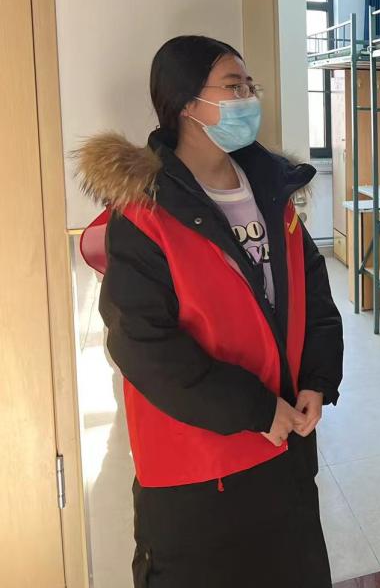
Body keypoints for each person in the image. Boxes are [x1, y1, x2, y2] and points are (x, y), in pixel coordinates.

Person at [76, 36, 344, 587]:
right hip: (198, 475)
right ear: (185, 104)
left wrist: (317, 379)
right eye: (233, 87)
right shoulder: (145, 211)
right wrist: (255, 409)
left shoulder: (273, 189)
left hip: (284, 453)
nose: (249, 98)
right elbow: (142, 345)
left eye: (250, 86)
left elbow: (313, 295)